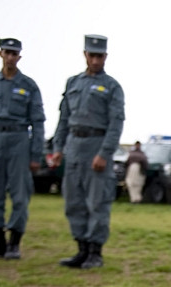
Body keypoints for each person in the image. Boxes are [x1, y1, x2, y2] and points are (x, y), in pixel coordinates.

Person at [50, 34, 125, 269]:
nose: (95, 60)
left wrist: (104, 153)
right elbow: (63, 118)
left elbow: (116, 123)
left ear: (105, 57)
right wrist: (58, 148)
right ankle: (81, 248)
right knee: (74, 201)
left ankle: (95, 251)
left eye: (99, 56)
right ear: (85, 55)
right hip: (73, 146)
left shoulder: (111, 86)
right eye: (92, 55)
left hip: (96, 145)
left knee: (97, 202)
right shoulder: (73, 83)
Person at [0, 38, 45, 260]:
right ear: (0, 54)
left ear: (19, 57)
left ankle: (14, 243)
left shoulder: (29, 85)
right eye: (7, 53)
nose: (11, 57)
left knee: (20, 193)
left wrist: (36, 154)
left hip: (18, 139)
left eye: (15, 54)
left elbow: (38, 122)